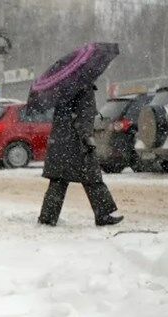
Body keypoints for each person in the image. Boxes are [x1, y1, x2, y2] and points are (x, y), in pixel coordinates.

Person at [38, 85, 123, 227]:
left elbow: (62, 118)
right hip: (77, 145)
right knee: (93, 179)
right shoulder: (85, 91)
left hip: (59, 144)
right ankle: (103, 215)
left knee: (58, 181)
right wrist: (87, 138)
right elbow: (84, 119)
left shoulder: (63, 91)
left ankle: (47, 218)